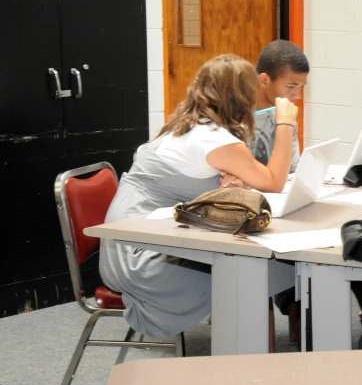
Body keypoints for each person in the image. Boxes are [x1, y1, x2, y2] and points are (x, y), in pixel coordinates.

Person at [224, 39, 362, 349]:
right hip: (244, 212)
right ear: (264, 80)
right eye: (291, 86)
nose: (296, 95)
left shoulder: (283, 115)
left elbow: (290, 167)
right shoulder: (233, 118)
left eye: (302, 87)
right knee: (301, 240)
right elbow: (233, 180)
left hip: (276, 199)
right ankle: (300, 314)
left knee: (352, 232)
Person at [99, 54, 298, 337]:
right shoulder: (215, 138)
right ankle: (246, 358)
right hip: (143, 261)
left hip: (126, 246)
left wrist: (233, 181)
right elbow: (273, 183)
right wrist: (285, 124)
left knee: (256, 267)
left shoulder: (188, 124)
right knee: (265, 271)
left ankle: (242, 346)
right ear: (242, 97)